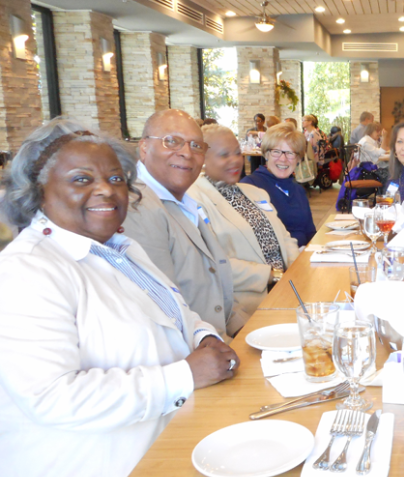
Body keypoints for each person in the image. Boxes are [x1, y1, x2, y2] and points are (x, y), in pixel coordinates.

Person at [0, 119, 239, 475]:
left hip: (171, 438)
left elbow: (177, 313)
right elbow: (52, 398)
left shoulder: (120, 249)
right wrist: (184, 375)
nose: (106, 191)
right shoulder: (26, 270)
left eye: (115, 179)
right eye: (82, 179)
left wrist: (204, 336)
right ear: (38, 191)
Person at [123, 109, 248, 340]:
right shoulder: (139, 207)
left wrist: (246, 329)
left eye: (196, 146)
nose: (186, 153)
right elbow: (164, 312)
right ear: (144, 147)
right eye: (172, 142)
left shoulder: (182, 199)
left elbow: (214, 283)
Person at [190, 124, 300, 315]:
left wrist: (295, 268)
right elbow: (211, 263)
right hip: (246, 305)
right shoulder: (193, 200)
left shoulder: (255, 193)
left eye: (237, 153)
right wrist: (272, 275)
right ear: (202, 158)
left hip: (288, 288)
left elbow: (285, 237)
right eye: (224, 155)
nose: (235, 161)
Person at [241, 123, 317, 246]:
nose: (283, 159)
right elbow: (249, 241)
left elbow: (311, 234)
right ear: (266, 154)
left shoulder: (298, 190)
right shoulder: (250, 186)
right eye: (276, 151)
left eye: (290, 153)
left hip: (302, 259)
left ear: (298, 159)